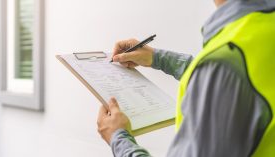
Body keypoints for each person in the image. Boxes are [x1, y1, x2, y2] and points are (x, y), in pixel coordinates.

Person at [97, 0, 275, 156]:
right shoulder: (264, 26)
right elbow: (245, 79)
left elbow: (226, 75)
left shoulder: (223, 65)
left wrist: (119, 138)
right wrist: (158, 58)